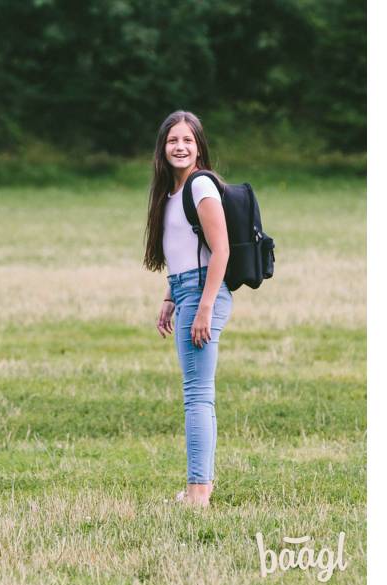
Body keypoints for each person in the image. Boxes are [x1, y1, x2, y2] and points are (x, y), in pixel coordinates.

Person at [143, 110, 233, 508]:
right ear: (162, 148)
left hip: (203, 292)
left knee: (197, 395)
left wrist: (204, 308)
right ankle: (201, 488)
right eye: (173, 140)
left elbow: (220, 251)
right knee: (199, 393)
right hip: (186, 289)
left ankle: (198, 493)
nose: (180, 147)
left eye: (188, 140)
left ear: (199, 147)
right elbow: (184, 250)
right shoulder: (172, 192)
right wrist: (170, 296)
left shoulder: (201, 186)